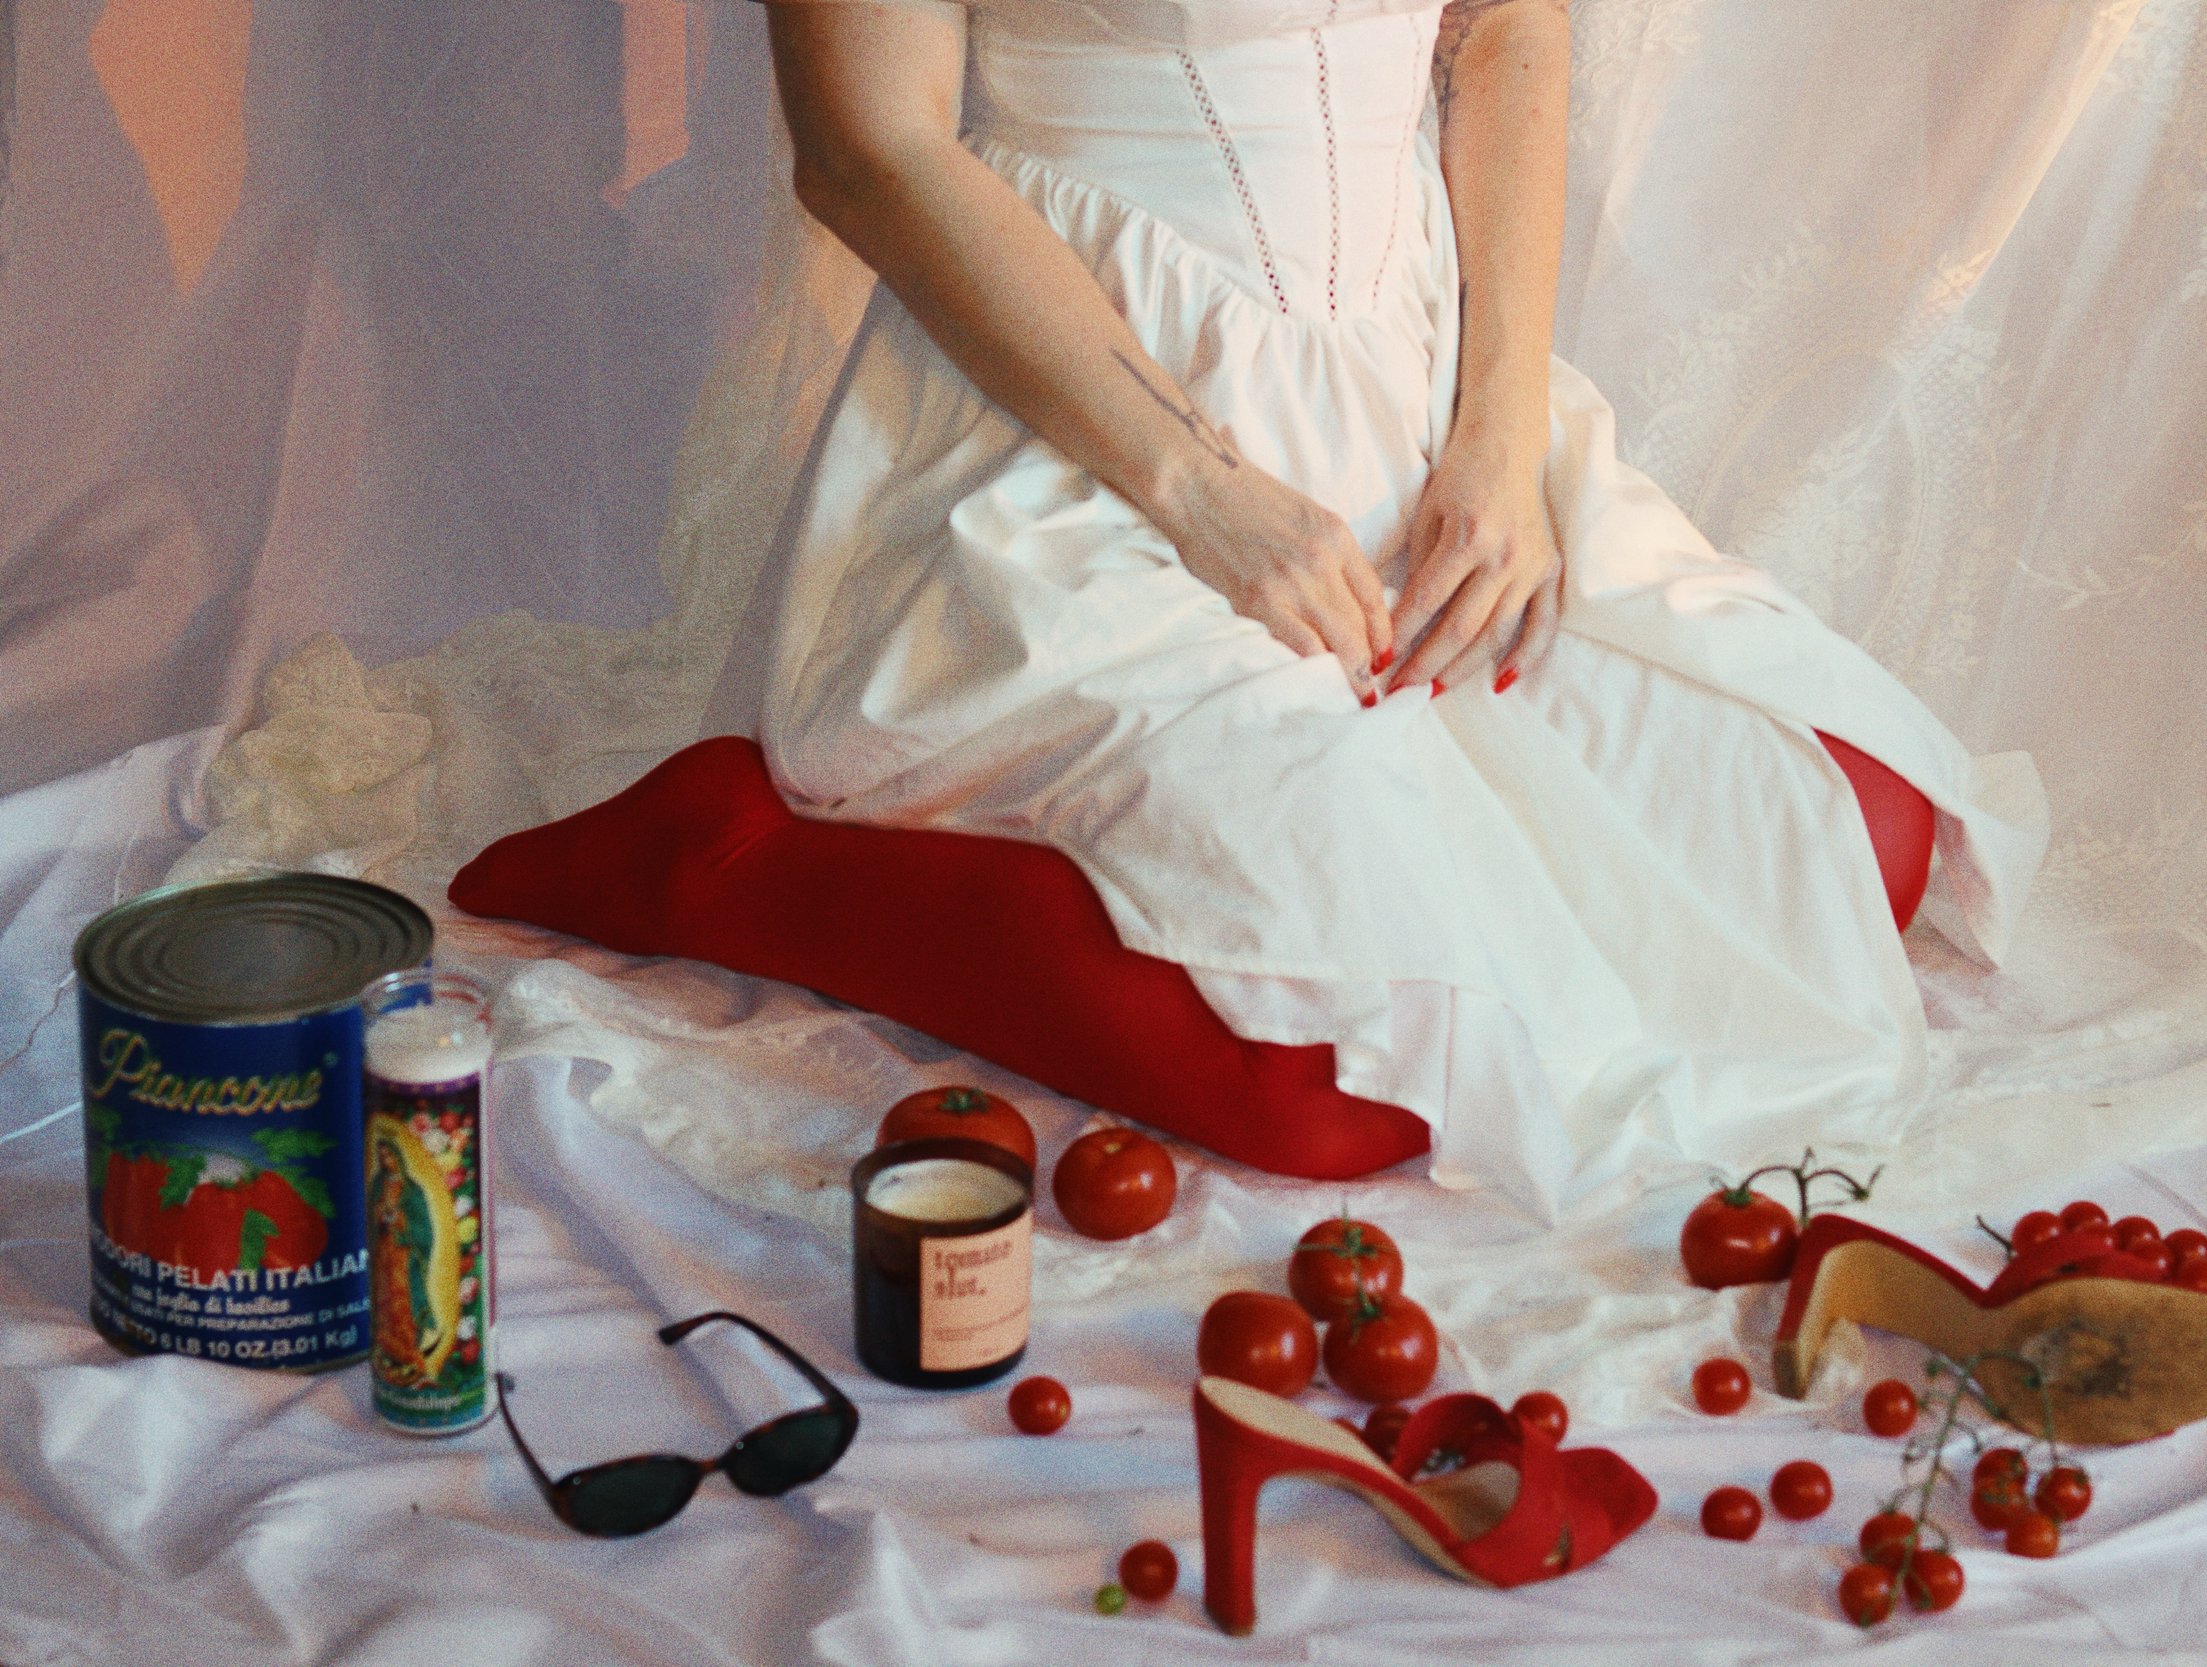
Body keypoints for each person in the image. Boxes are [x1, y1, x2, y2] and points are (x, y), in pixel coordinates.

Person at [716, 0, 2047, 1211]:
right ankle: (732, 860)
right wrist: (1200, 490)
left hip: (1414, 399)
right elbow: (868, 149)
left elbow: (1506, 23)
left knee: (1860, 825)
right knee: (1346, 1076)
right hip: (1089, 429)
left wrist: (1498, 441)